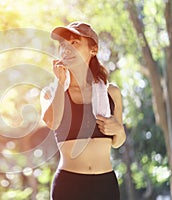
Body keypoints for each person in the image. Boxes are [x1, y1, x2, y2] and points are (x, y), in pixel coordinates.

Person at [40, 21, 126, 200]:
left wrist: (118, 129)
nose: (66, 49)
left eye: (75, 43)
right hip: (69, 185)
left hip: (105, 184)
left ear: (93, 49)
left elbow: (118, 141)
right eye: (63, 45)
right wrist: (59, 81)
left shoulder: (111, 92)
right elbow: (53, 122)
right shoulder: (51, 92)